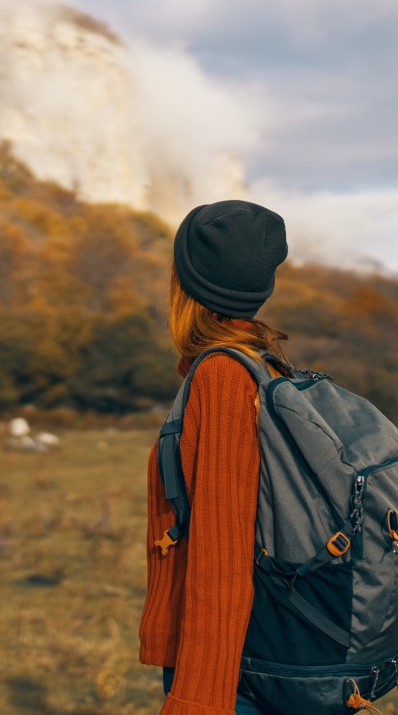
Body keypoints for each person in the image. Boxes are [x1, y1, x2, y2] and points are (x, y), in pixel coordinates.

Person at [139, 199, 289, 715]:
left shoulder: (223, 379)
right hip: (244, 661)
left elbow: (221, 558)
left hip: (228, 675)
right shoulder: (262, 366)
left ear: (189, 286)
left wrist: (197, 702)